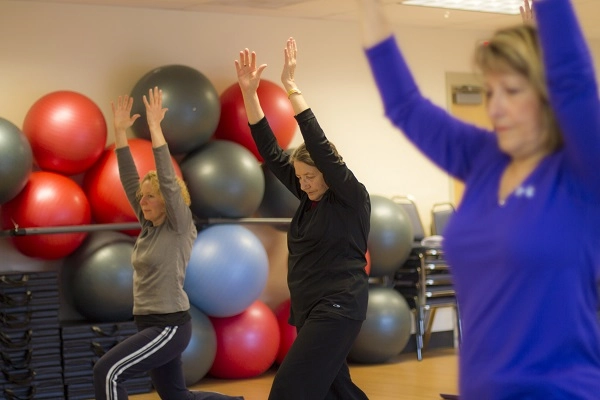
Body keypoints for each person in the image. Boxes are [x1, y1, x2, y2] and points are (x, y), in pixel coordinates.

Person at [355, 0, 600, 398]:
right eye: (489, 92)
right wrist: (368, 8)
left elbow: (574, 77)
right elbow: (406, 106)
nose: (495, 107)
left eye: (513, 91)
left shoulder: (582, 170)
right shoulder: (485, 159)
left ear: (548, 94)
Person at [235, 37, 371, 400]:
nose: (304, 183)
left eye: (310, 176)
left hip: (337, 308)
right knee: (336, 390)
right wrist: (250, 94)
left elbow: (321, 146)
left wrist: (292, 89)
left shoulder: (350, 199)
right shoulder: (309, 199)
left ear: (329, 173)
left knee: (289, 390)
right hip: (312, 311)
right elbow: (268, 148)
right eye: (301, 177)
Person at [93, 86, 244, 400]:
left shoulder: (179, 224)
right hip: (149, 323)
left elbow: (166, 178)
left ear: (167, 200)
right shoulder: (149, 225)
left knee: (108, 371)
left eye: (152, 197)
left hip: (169, 327)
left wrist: (155, 129)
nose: (144, 201)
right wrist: (120, 133)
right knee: (177, 397)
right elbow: (129, 178)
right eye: (143, 198)